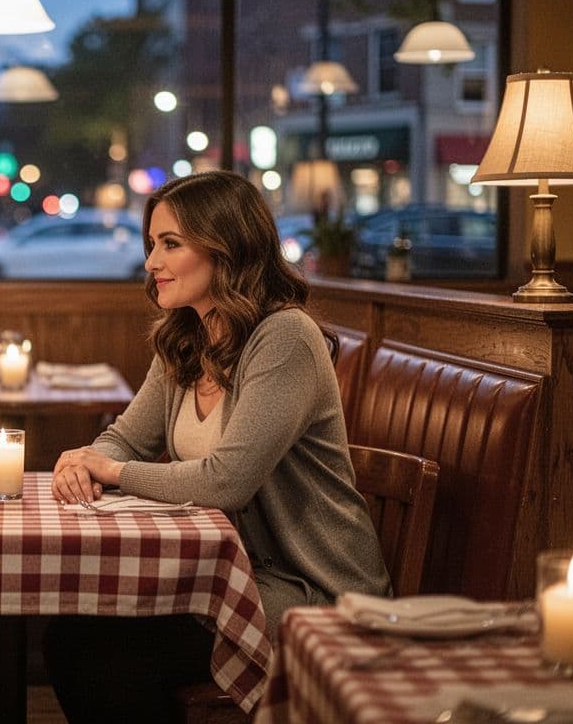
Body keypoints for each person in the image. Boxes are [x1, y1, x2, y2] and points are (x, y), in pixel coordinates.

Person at [44, 170, 389, 724]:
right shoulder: (186, 337)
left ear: (227, 246)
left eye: (170, 244)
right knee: (77, 631)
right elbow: (125, 439)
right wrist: (86, 463)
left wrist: (108, 469)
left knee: (97, 651)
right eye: (151, 244)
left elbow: (225, 480)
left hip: (317, 592)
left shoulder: (285, 337)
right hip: (233, 577)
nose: (152, 261)